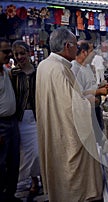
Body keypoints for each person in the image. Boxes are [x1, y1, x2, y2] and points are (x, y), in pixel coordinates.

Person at [35, 27, 103, 201]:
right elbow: (73, 109)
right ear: (67, 46)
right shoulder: (58, 69)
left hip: (54, 131)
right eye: (74, 45)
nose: (77, 49)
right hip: (65, 136)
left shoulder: (45, 65)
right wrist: (91, 102)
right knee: (72, 186)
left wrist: (87, 96)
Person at [10, 40, 40, 196]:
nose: (20, 57)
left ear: (29, 53)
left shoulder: (38, 72)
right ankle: (33, 180)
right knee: (24, 153)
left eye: (22, 53)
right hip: (20, 119)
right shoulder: (13, 74)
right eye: (17, 54)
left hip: (36, 118)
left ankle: (41, 178)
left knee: (36, 152)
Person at [71, 40, 108, 139]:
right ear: (84, 52)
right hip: (86, 112)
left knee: (99, 137)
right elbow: (79, 92)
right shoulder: (74, 68)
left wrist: (100, 86)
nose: (94, 54)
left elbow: (89, 86)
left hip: (95, 108)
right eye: (92, 50)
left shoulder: (87, 66)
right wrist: (99, 91)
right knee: (93, 140)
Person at [0, 38, 21, 202]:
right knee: (2, 165)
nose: (9, 55)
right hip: (2, 126)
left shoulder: (5, 71)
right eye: (5, 52)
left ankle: (10, 195)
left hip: (12, 122)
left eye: (9, 51)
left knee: (14, 162)